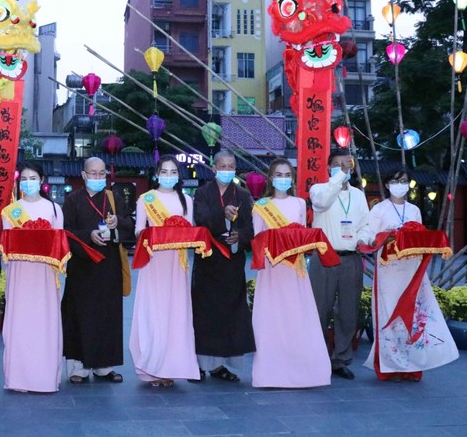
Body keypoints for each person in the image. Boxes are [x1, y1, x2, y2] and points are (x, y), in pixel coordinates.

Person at [361, 169, 458, 381]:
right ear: (387, 185)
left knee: (413, 314)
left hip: (412, 269)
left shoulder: (414, 209)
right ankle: (390, 366)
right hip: (389, 269)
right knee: (390, 313)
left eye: (404, 181)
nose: (400, 184)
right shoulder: (379, 209)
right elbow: (368, 234)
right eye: (396, 181)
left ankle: (411, 366)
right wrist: (382, 238)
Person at [251, 158, 331, 388]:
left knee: (298, 320)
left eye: (287, 175)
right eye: (278, 174)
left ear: (292, 179)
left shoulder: (299, 203)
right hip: (272, 271)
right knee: (271, 321)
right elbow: (258, 240)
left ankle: (305, 373)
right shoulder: (261, 205)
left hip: (295, 270)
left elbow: (304, 236)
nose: (283, 179)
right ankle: (270, 374)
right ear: (271, 178)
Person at [130, 155, 200, 388]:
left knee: (176, 315)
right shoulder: (146, 199)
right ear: (156, 173)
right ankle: (153, 367)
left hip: (177, 265)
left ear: (178, 176)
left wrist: (179, 233)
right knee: (155, 314)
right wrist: (162, 233)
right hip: (154, 262)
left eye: (173, 172)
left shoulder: (186, 201)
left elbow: (190, 232)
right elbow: (140, 232)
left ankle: (171, 366)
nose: (168, 176)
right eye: (164, 171)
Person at [61, 157, 132, 384]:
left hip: (108, 267)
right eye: (93, 173)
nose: (98, 178)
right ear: (83, 175)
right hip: (82, 268)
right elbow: (66, 233)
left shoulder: (114, 198)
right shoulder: (72, 200)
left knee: (107, 317)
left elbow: (129, 227)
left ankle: (104, 367)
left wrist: (117, 224)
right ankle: (78, 368)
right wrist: (88, 236)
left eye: (102, 174)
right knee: (79, 317)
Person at [190, 150, 255, 382]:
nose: (227, 170)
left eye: (231, 166)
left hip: (232, 264)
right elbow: (201, 217)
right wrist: (222, 212)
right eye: (223, 166)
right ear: (214, 168)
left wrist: (239, 236)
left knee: (229, 314)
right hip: (208, 261)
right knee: (204, 313)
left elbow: (251, 228)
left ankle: (220, 365)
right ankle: (198, 364)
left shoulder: (243, 195)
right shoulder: (202, 192)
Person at [1, 163, 64, 392]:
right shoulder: (10, 211)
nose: (29, 182)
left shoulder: (54, 209)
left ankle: (45, 378)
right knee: (21, 323)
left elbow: (60, 245)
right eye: (25, 178)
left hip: (45, 276)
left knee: (44, 324)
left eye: (33, 177)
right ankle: (18, 378)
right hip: (20, 275)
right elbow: (7, 246)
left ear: (42, 180)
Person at [309, 149, 370, 380]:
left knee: (347, 311)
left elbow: (366, 223)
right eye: (337, 164)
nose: (343, 168)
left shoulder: (358, 195)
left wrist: (363, 238)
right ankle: (316, 358)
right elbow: (322, 203)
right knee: (319, 309)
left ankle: (341, 360)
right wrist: (338, 177)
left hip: (351, 258)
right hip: (324, 256)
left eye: (347, 164)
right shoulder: (319, 190)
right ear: (329, 168)